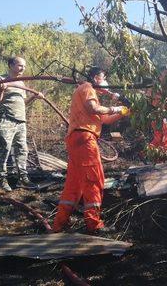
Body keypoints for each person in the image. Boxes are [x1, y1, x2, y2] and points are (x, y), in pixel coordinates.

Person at [53, 66, 129, 234]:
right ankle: (94, 225)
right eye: (103, 78)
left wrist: (122, 112)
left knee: (74, 183)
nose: (105, 84)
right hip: (85, 138)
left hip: (77, 139)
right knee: (94, 179)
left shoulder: (90, 94)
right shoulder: (87, 88)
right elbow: (93, 109)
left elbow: (105, 119)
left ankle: (60, 224)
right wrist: (115, 108)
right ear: (96, 78)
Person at [0, 56, 43, 192]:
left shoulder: (21, 83)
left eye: (24, 66)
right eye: (20, 65)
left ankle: (23, 177)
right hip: (6, 119)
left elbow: (23, 103)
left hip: (21, 121)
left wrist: (34, 97)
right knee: (4, 149)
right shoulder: (1, 78)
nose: (23, 68)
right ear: (11, 65)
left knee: (22, 149)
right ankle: (2, 180)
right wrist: (1, 89)